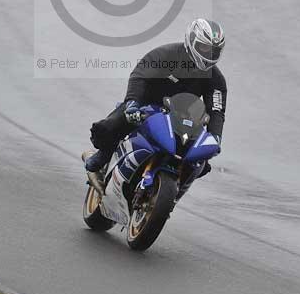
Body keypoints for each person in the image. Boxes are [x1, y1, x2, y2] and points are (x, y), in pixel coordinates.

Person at [83, 19, 227, 181]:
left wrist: (215, 136)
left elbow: (217, 110)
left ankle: (179, 183)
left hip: (182, 119)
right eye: (205, 48)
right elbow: (140, 76)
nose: (209, 54)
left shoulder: (217, 79)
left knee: (202, 164)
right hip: (146, 106)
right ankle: (105, 154)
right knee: (109, 126)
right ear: (191, 41)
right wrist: (132, 103)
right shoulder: (166, 55)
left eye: (214, 51)